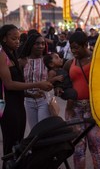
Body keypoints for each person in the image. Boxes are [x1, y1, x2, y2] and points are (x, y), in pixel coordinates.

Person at [0, 24, 52, 169]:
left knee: (19, 141)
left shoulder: (13, 54)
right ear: (4, 39)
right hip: (7, 106)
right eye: (13, 38)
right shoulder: (2, 55)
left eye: (18, 38)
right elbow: (9, 84)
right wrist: (36, 85)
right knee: (11, 143)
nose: (17, 41)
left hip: (17, 103)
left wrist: (29, 94)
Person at [63, 31, 100, 169]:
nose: (73, 51)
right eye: (71, 47)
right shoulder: (70, 63)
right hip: (74, 109)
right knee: (78, 148)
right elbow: (64, 81)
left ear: (86, 45)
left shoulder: (97, 59)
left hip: (94, 109)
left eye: (76, 47)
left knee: (96, 146)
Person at [19, 32, 53, 130]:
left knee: (42, 130)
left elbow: (58, 73)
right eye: (37, 43)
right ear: (30, 44)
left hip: (44, 100)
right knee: (34, 131)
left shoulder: (47, 60)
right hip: (28, 101)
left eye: (43, 43)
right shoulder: (22, 61)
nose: (40, 46)